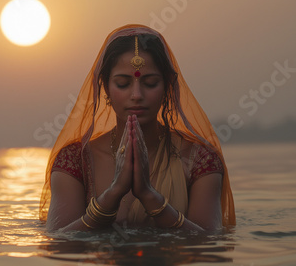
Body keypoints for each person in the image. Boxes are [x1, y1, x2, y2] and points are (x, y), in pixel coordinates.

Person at [39, 24, 235, 232]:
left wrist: (149, 196)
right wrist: (113, 194)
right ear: (105, 87)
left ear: (168, 87)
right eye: (123, 84)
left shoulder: (200, 160)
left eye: (150, 83)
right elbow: (57, 244)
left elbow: (211, 246)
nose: (136, 95)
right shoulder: (75, 160)